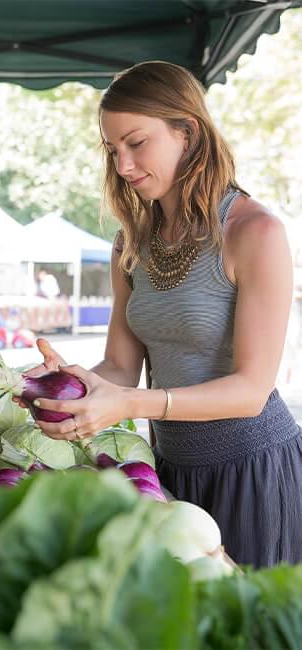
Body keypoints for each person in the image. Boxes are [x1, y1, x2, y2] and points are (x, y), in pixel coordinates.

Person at [20, 61, 302, 568]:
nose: (124, 165)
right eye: (113, 150)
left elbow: (251, 389)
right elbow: (120, 368)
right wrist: (66, 387)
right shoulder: (130, 242)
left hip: (252, 470)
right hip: (167, 467)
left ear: (187, 132)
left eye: (136, 143)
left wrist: (127, 404)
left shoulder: (256, 232)